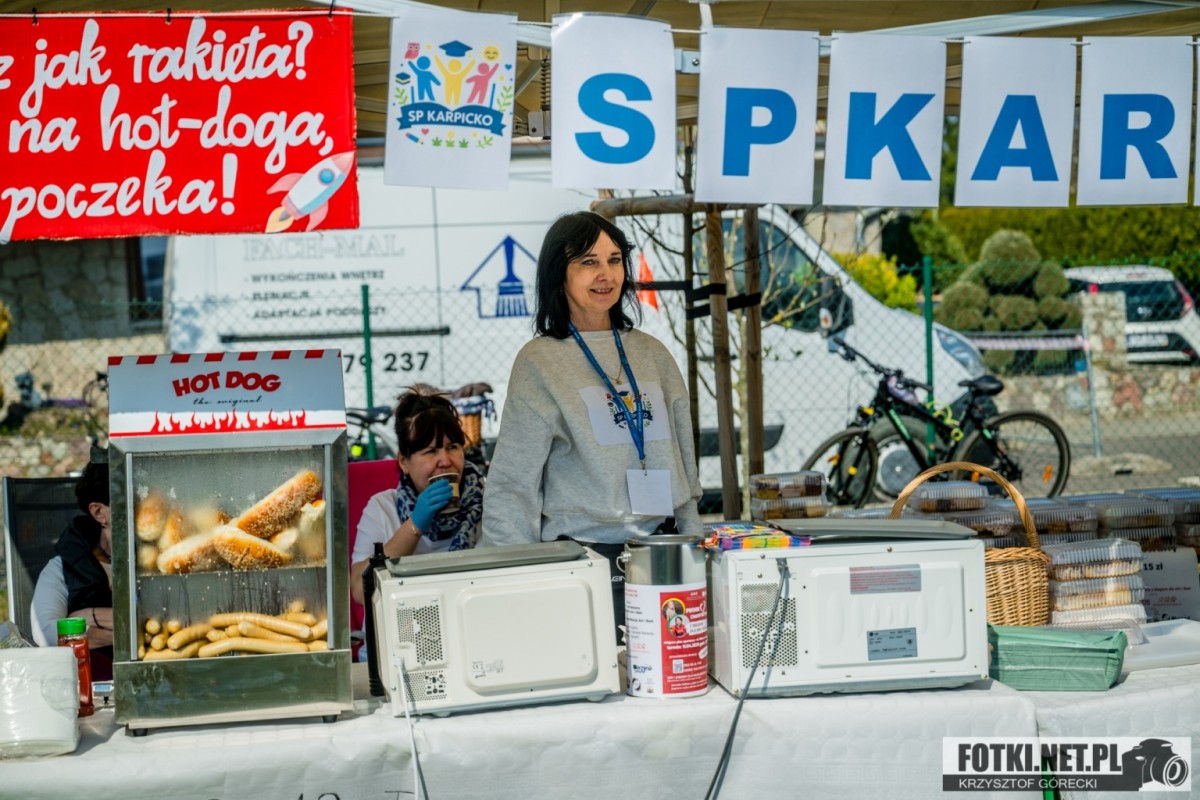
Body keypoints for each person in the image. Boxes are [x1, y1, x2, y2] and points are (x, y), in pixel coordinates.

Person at [480, 211, 702, 635]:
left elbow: (684, 462)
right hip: (581, 563)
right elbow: (513, 484)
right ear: (558, 274)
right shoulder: (540, 362)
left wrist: (694, 544)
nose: (606, 274)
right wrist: (512, 581)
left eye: (615, 260)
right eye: (588, 262)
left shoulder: (652, 353)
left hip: (663, 552)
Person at [349, 387, 484, 606]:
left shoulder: (485, 502)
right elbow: (359, 590)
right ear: (404, 462)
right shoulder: (383, 507)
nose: (445, 461)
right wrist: (415, 524)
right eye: (431, 451)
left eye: (452, 447)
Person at [31, 460, 114, 680]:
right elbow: (48, 635)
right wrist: (131, 633)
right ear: (99, 512)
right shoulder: (62, 568)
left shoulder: (165, 559)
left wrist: (87, 617)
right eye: (133, 501)